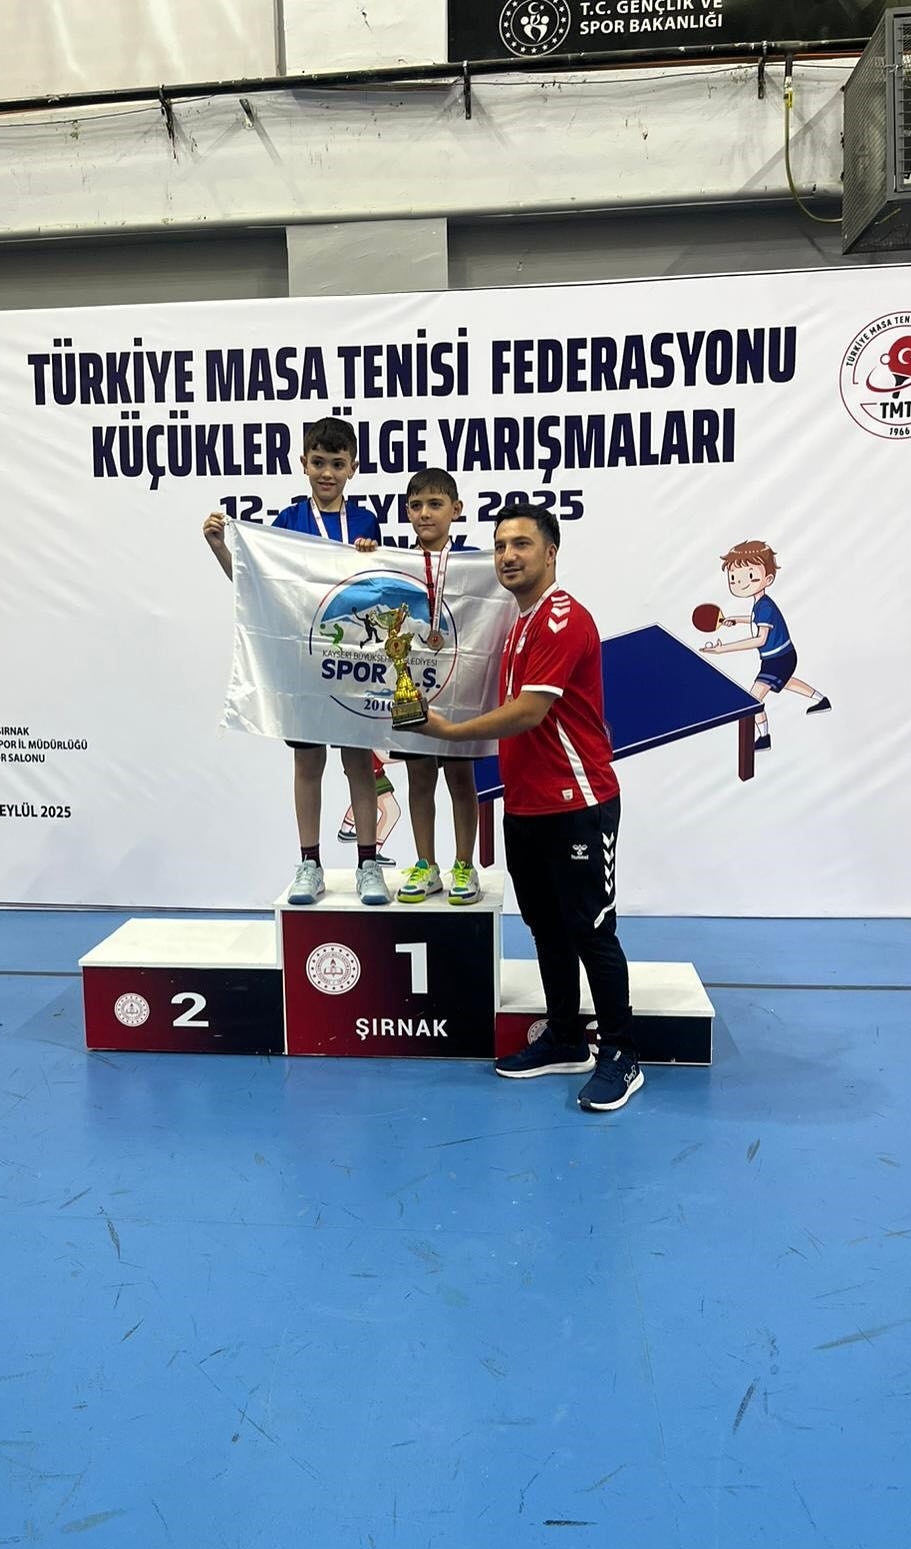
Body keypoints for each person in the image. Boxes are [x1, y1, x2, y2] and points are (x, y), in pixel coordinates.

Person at [414, 501, 643, 1113]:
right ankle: (566, 1037)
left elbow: (530, 712)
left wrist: (449, 734)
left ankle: (622, 1053)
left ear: (551, 552)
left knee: (592, 930)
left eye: (521, 544)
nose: (508, 556)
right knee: (546, 927)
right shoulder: (518, 623)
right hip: (527, 807)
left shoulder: (563, 619)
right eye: (500, 546)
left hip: (578, 802)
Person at [203, 416, 390, 906]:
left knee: (359, 763)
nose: (327, 472)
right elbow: (254, 588)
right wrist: (221, 548)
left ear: (353, 468)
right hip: (303, 663)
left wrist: (372, 555)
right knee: (307, 763)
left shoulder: (366, 523)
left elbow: (379, 590)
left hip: (351, 661)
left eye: (337, 464)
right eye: (319, 462)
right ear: (303, 463)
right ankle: (310, 863)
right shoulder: (287, 523)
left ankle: (368, 863)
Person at [390, 469, 482, 907]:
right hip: (413, 685)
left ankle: (465, 864)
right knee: (419, 777)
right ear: (406, 512)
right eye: (416, 506)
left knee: (462, 779)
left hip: (461, 687)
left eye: (435, 504)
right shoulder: (393, 562)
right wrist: (365, 554)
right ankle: (426, 864)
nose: (425, 513)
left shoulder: (476, 564)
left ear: (456, 510)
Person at [700, 539, 830, 752]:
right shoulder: (761, 605)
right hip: (782, 656)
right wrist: (735, 620)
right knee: (787, 683)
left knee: (752, 700)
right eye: (733, 578)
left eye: (749, 576)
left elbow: (760, 639)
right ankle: (822, 700)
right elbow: (755, 619)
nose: (739, 582)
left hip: (778, 659)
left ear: (768, 578)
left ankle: (764, 738)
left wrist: (724, 649)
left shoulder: (765, 607)